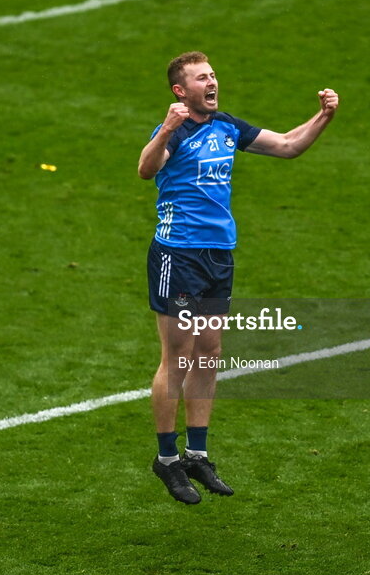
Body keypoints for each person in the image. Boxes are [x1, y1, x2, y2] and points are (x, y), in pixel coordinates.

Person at [138, 51, 339, 504]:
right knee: (179, 357)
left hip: (218, 257)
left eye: (213, 75)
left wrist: (324, 116)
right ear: (180, 91)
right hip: (178, 254)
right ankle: (167, 460)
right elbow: (146, 169)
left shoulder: (227, 126)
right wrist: (168, 127)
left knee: (210, 352)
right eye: (201, 78)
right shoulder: (174, 130)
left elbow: (288, 145)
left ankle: (197, 453)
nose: (212, 83)